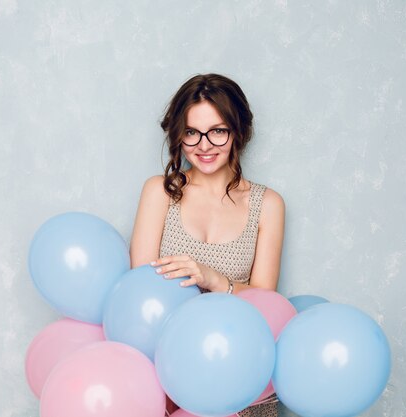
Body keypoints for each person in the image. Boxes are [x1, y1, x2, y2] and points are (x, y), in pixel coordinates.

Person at [129, 73, 285, 417]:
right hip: (166, 372)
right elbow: (138, 293)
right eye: (191, 132)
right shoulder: (160, 192)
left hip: (238, 374)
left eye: (217, 131)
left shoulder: (267, 204)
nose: (204, 144)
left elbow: (266, 304)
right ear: (179, 135)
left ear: (238, 132)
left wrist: (214, 280)